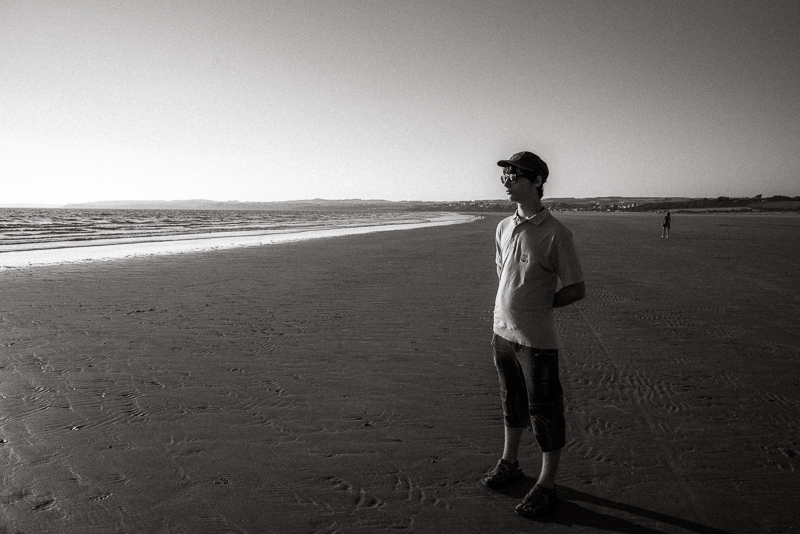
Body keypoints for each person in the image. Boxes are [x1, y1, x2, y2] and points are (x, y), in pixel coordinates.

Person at [482, 151, 586, 518]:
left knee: (544, 411)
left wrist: (540, 306)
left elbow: (576, 287)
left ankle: (546, 483)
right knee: (511, 401)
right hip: (501, 333)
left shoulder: (556, 233)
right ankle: (510, 462)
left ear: (537, 181)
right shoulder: (503, 227)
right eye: (505, 175)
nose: (506, 181)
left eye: (514, 175)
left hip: (536, 341)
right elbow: (503, 274)